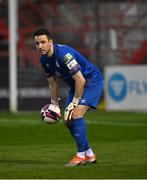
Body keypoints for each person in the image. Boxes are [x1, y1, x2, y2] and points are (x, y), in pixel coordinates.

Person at [33, 28, 104, 166]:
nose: (40, 46)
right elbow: (52, 84)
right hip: (76, 85)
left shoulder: (64, 55)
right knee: (68, 120)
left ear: (50, 42)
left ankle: (80, 155)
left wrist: (75, 102)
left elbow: (81, 80)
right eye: (37, 43)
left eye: (43, 42)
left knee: (76, 114)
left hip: (90, 81)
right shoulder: (44, 60)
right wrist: (54, 104)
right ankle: (89, 154)